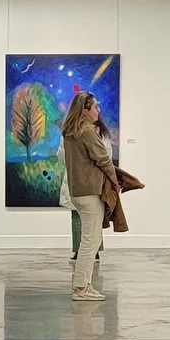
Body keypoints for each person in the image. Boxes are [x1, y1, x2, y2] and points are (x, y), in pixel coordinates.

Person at [61, 90, 117, 302]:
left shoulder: (69, 132)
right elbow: (103, 159)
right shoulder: (86, 132)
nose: (98, 110)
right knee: (90, 241)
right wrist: (114, 180)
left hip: (78, 191)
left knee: (90, 239)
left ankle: (85, 284)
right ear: (85, 110)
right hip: (90, 192)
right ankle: (81, 287)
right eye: (95, 107)